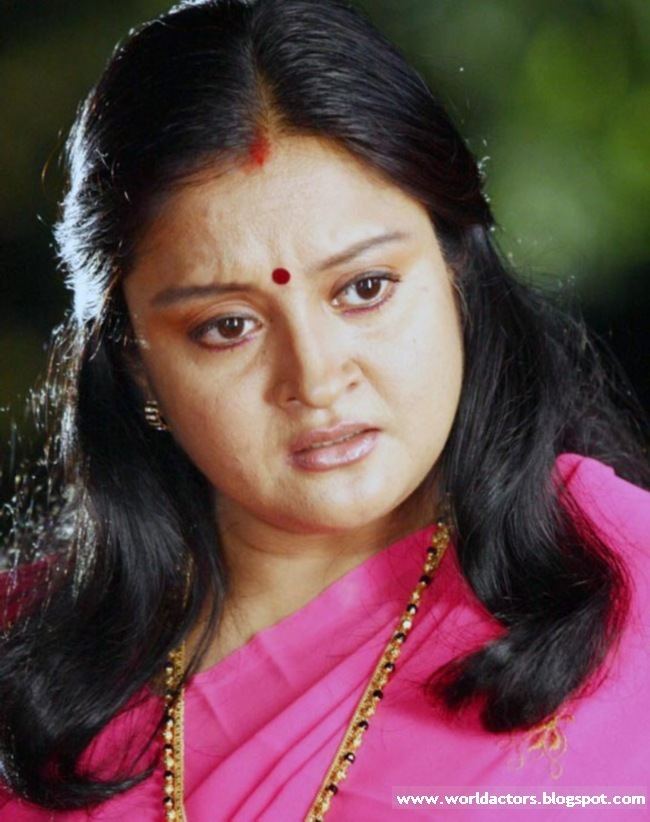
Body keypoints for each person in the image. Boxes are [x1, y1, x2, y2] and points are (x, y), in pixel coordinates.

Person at [0, 0, 648, 819]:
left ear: (458, 278)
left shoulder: (619, 585)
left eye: (365, 289)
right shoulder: (24, 669)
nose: (314, 376)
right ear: (136, 366)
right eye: (226, 327)